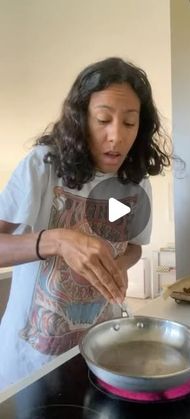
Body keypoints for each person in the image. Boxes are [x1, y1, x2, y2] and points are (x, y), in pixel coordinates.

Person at [0, 57, 171, 390]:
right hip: (29, 366)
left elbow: (132, 244)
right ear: (81, 119)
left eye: (130, 123)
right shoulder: (42, 167)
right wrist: (56, 240)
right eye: (103, 119)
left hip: (101, 354)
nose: (116, 137)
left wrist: (118, 264)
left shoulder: (134, 183)